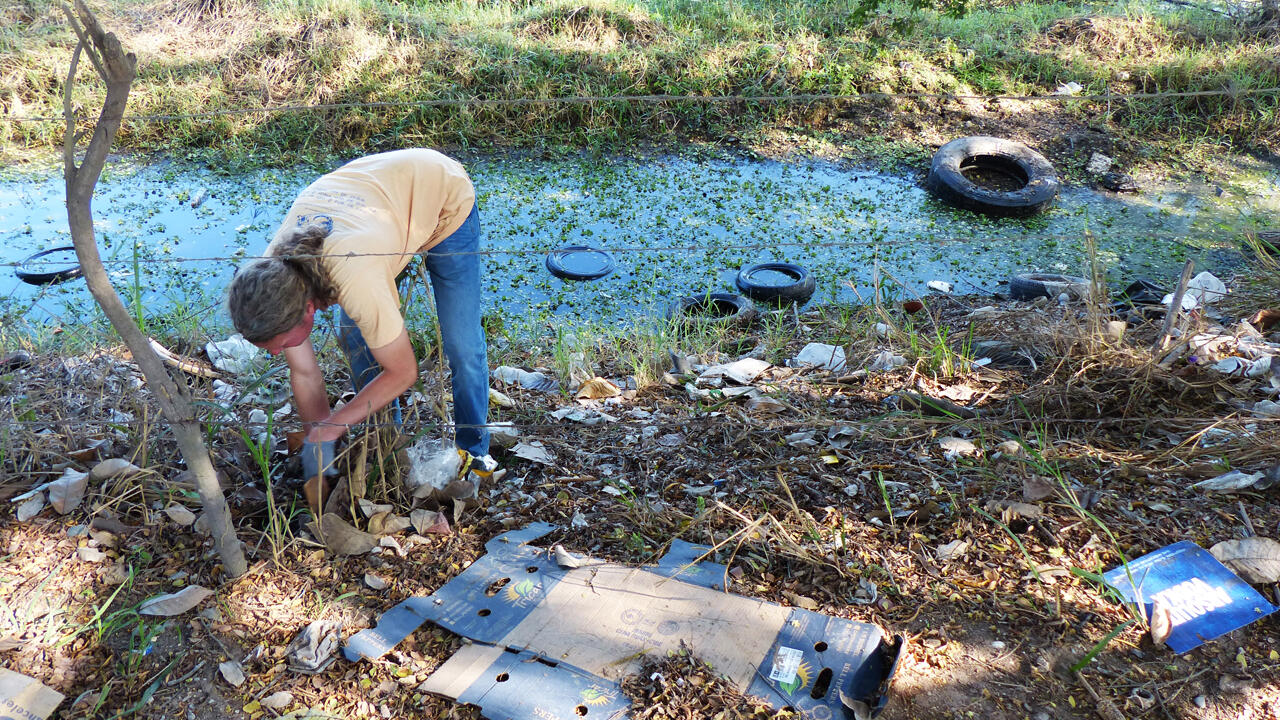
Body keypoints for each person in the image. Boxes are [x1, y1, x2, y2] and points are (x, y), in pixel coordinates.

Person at [227, 149, 492, 511]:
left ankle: (474, 451)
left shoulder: (355, 276)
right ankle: (390, 444)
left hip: (440, 195)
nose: (274, 353)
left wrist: (333, 426)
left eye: (278, 345)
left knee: (461, 343)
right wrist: (317, 450)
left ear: (307, 310)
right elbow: (304, 373)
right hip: (374, 207)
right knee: (356, 336)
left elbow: (404, 371)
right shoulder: (273, 276)